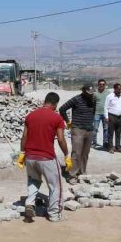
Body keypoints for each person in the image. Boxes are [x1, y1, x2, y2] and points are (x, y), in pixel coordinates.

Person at [17, 92, 71, 222]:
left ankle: (30, 204)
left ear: (44, 101)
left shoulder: (30, 116)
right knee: (55, 186)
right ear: (55, 104)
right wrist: (66, 155)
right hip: (47, 157)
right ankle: (54, 214)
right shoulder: (57, 118)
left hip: (30, 157)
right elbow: (61, 139)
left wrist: (22, 153)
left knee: (33, 181)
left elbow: (24, 136)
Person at [59, 84, 96, 181]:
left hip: (89, 129)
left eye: (91, 93)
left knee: (85, 153)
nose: (90, 95)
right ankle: (72, 175)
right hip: (77, 129)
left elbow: (93, 112)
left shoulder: (93, 99)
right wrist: (68, 121)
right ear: (83, 91)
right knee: (76, 152)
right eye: (88, 93)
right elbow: (62, 109)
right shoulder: (76, 99)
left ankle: (82, 172)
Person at [105, 83, 121, 153]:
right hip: (111, 116)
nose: (120, 90)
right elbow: (105, 107)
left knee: (118, 133)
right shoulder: (109, 96)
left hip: (120, 117)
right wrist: (106, 117)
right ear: (114, 89)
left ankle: (118, 147)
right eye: (118, 89)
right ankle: (110, 147)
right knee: (110, 133)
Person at [93, 79, 110, 149]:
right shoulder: (95, 93)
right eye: (100, 84)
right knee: (95, 129)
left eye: (103, 84)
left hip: (105, 114)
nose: (102, 85)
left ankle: (105, 143)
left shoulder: (108, 93)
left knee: (106, 129)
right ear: (98, 85)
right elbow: (92, 103)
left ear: (105, 85)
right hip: (97, 113)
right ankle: (94, 143)